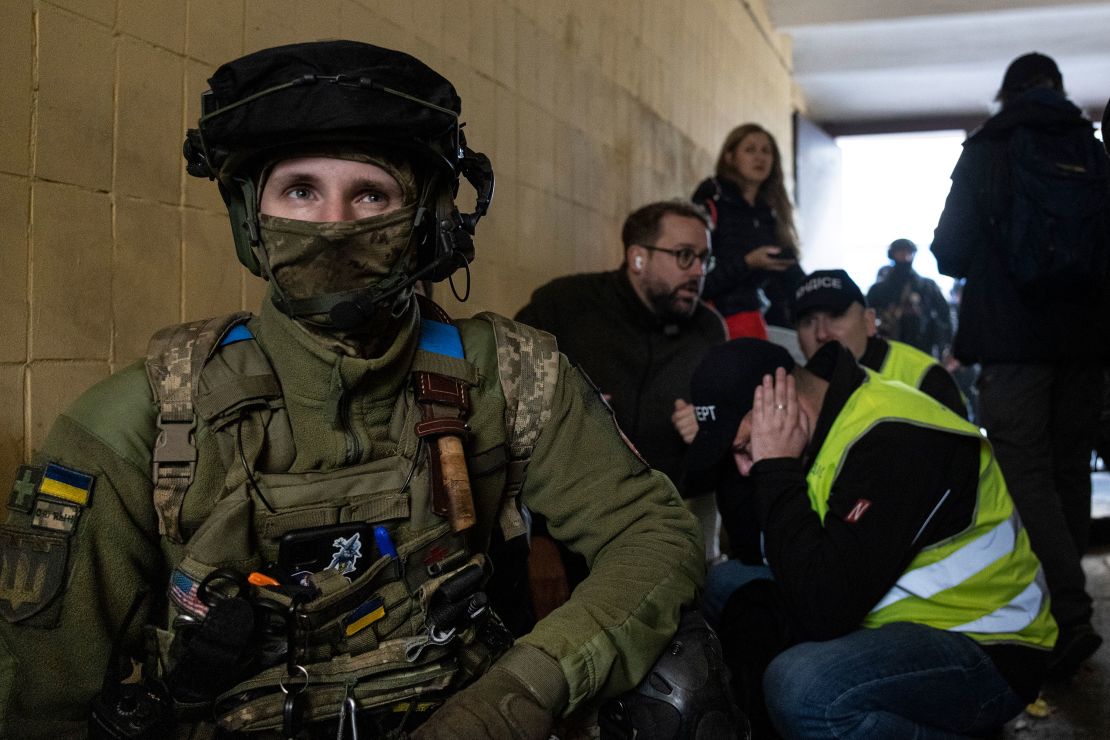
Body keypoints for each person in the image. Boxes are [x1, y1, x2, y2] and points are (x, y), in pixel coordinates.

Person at [0, 41, 706, 739]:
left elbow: (653, 532)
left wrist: (519, 693)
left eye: (370, 194)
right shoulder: (146, 420)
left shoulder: (508, 373)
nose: (335, 226)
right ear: (253, 221)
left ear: (424, 220)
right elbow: (41, 695)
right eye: (301, 191)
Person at [687, 338, 1056, 738]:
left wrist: (776, 467)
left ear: (783, 401)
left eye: (746, 448)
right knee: (722, 586)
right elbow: (754, 546)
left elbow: (823, 610)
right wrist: (768, 464)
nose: (746, 468)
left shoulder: (895, 441)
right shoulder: (821, 419)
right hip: (891, 609)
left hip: (986, 643)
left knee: (802, 689)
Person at [932, 51, 1108, 678]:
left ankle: (1065, 613)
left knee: (1024, 474)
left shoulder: (991, 146)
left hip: (1012, 342)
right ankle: (1068, 609)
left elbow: (949, 251)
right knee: (1067, 473)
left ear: (1007, 92)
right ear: (1058, 90)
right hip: (1087, 343)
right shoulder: (1092, 150)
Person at [514, 202, 726, 612]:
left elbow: (727, 435)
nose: (698, 271)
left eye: (704, 258)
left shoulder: (708, 330)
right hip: (566, 527)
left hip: (667, 527)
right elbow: (510, 421)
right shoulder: (564, 307)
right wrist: (536, 537)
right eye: (685, 255)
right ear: (638, 257)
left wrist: (708, 428)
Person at [794, 269, 967, 417]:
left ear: (869, 321)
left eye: (835, 316)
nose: (821, 333)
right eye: (808, 322)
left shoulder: (926, 378)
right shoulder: (790, 388)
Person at [692, 123, 804, 339]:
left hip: (769, 321)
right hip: (722, 323)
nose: (759, 158)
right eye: (750, 150)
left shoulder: (771, 211)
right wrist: (748, 263)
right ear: (730, 156)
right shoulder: (711, 204)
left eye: (766, 151)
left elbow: (791, 276)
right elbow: (698, 281)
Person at [866, 238, 953, 359]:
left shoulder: (926, 286)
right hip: (889, 346)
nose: (905, 255)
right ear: (892, 254)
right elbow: (866, 316)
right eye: (900, 251)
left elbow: (944, 314)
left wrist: (947, 345)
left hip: (922, 345)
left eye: (908, 252)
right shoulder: (879, 289)